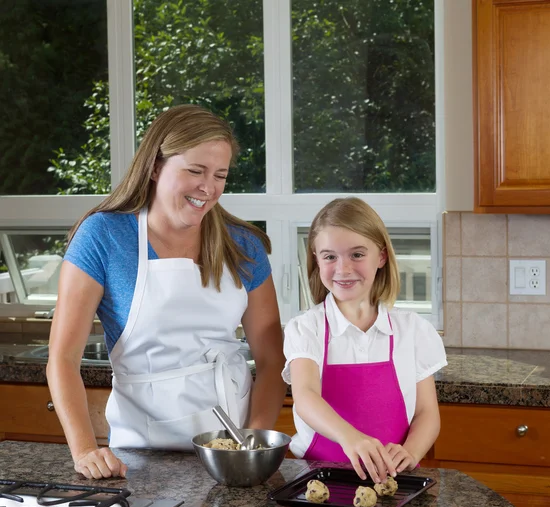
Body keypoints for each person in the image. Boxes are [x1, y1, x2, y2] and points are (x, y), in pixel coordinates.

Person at [46, 104, 287, 479]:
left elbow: (272, 361)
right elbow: (62, 359)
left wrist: (250, 442)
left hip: (229, 453)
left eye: (220, 175)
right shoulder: (104, 236)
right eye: (195, 170)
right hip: (140, 456)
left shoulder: (244, 246)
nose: (208, 188)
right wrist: (84, 451)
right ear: (156, 166)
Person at [283, 197, 447, 484]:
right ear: (316, 259)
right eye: (330, 256)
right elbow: (305, 396)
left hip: (393, 482)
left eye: (357, 255)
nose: (343, 269)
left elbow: (427, 413)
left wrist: (410, 452)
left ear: (381, 257)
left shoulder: (412, 330)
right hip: (316, 480)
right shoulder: (306, 329)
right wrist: (352, 439)